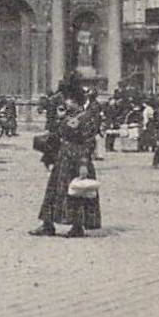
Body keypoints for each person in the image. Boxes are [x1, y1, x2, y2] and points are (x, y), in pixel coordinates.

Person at [31, 95, 102, 238]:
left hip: (77, 159)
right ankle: (48, 224)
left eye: (70, 100)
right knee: (54, 192)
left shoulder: (86, 118)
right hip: (63, 158)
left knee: (76, 192)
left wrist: (83, 164)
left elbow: (89, 143)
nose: (66, 103)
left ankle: (77, 226)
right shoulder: (66, 116)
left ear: (77, 102)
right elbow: (57, 134)